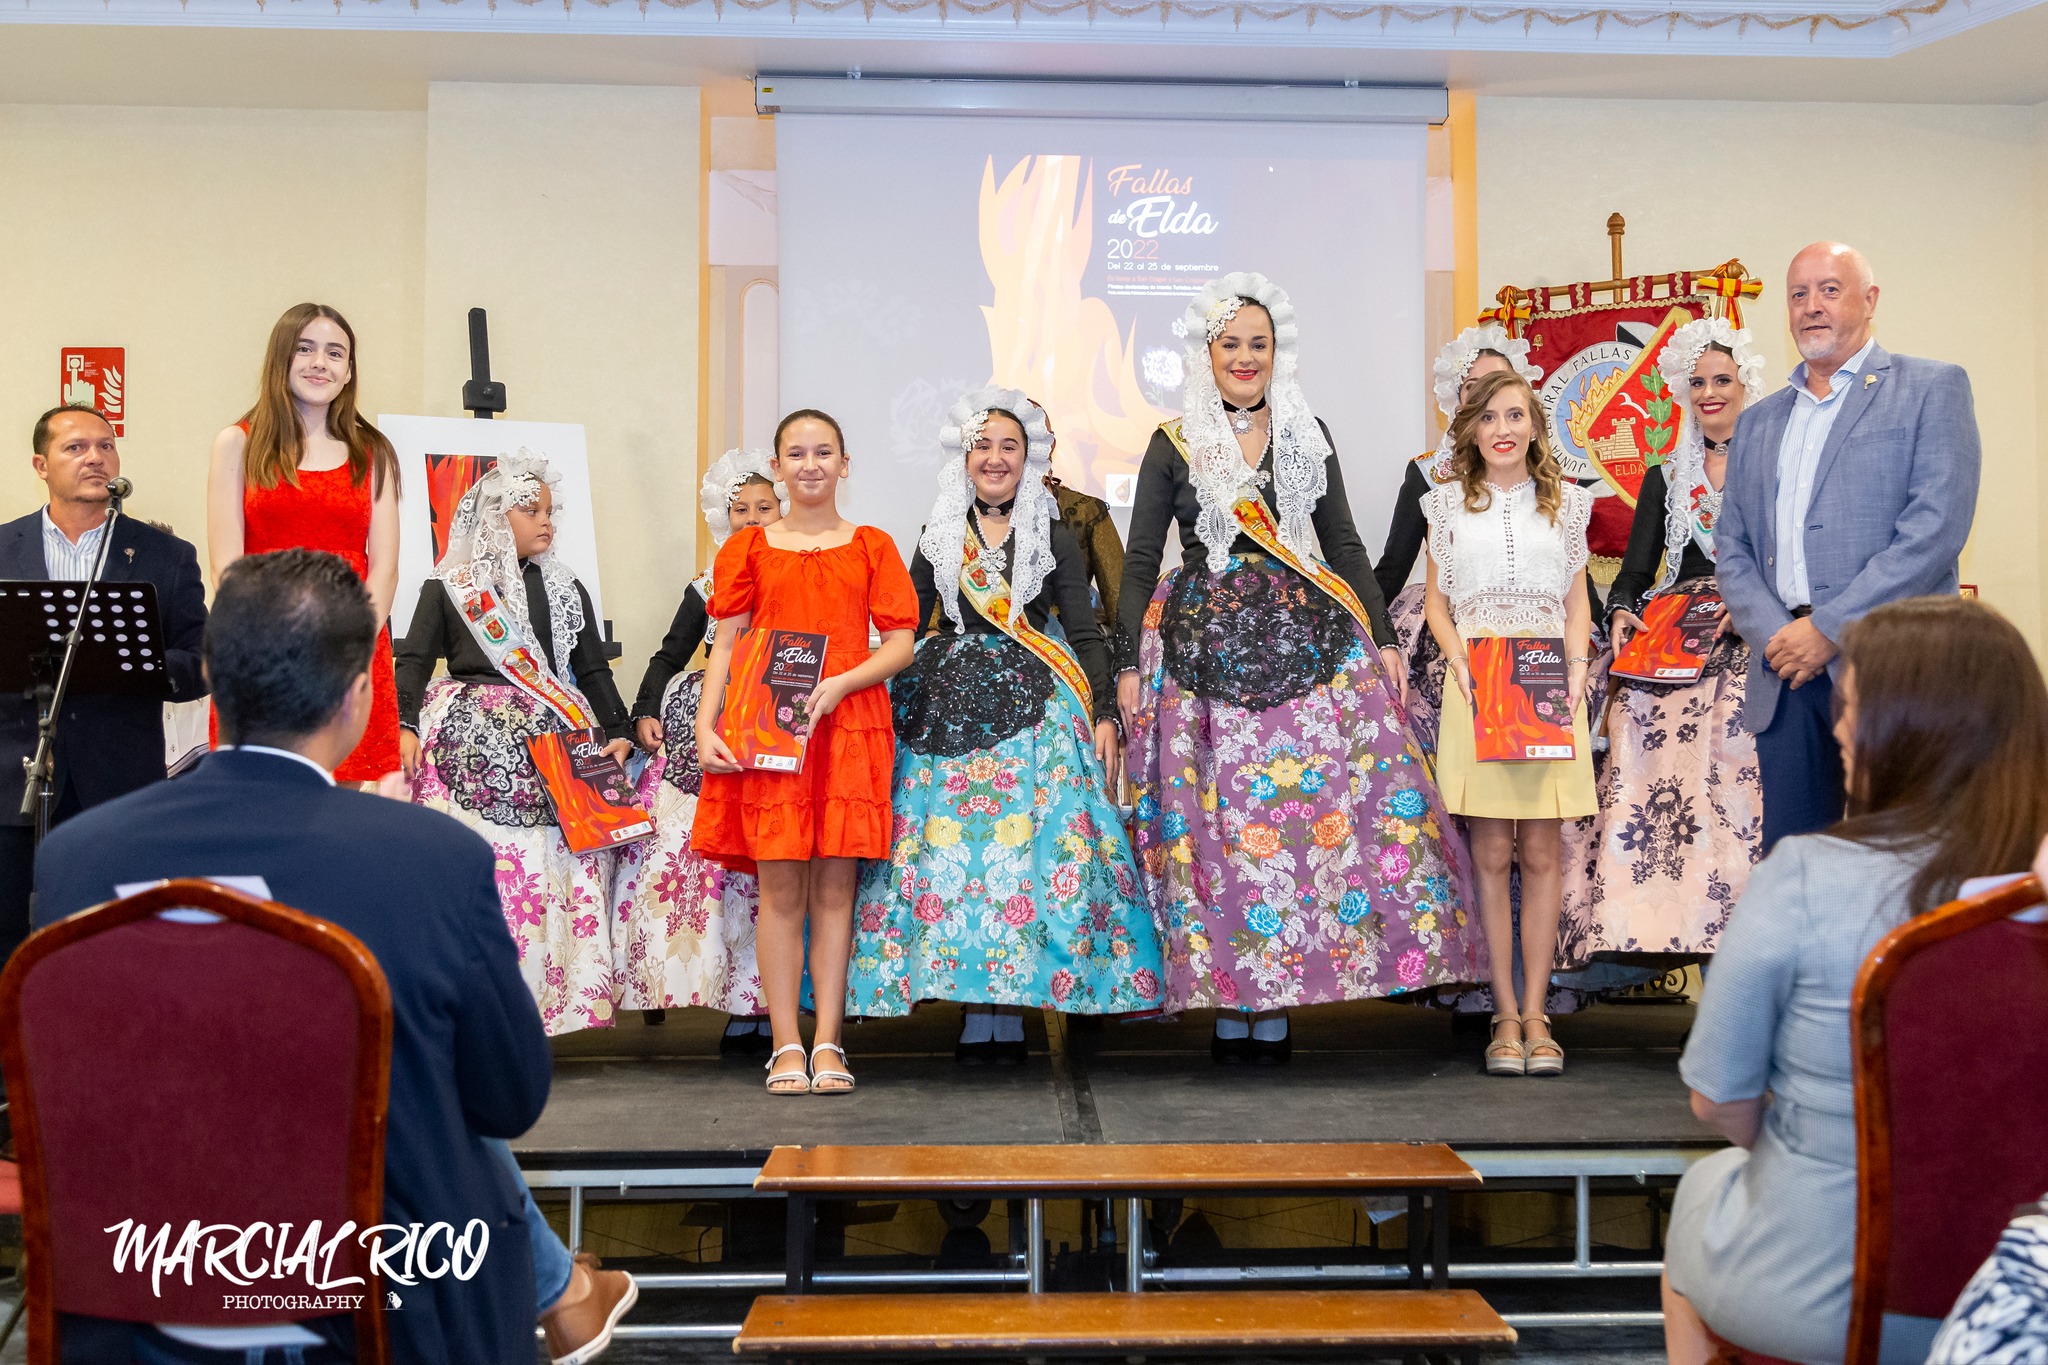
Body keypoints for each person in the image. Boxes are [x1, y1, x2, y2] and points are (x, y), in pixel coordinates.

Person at [32, 549, 637, 1365]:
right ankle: (559, 1289)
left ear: (209, 674)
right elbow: (509, 1096)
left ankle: (562, 1288)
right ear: (358, 696)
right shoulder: (431, 858)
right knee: (427, 1088)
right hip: (382, 1304)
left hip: (139, 1286)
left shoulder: (76, 855)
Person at [1663, 594, 2048, 1364]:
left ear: (1913, 730)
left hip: (1823, 1295)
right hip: (2019, 1296)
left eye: (1853, 706)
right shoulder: (2031, 898)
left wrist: (1804, 1150)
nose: (1838, 728)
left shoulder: (1805, 875)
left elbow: (1718, 1097)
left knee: (1704, 1191)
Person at [1114, 272, 1474, 1065]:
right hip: (1201, 649)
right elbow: (1140, 557)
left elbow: (1342, 541)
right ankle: (1229, 996)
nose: (1245, 357)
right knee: (1218, 827)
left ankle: (1277, 1001)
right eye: (1231, 344)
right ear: (1206, 352)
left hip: (1302, 643)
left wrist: (1382, 636)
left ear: (1278, 352)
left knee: (1294, 822)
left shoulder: (1308, 430)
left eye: (1259, 344)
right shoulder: (1172, 442)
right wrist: (1124, 660)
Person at [847, 389, 1164, 1063]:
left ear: (1030, 458)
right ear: (963, 457)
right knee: (951, 856)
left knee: (1026, 856)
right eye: (982, 445)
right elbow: (908, 624)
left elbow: (1083, 628)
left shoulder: (1053, 531)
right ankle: (972, 1004)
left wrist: (1103, 710)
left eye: (1009, 446)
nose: (994, 458)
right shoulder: (937, 531)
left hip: (1037, 706)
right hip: (945, 704)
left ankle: (1015, 1001)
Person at [1715, 242, 1982, 853]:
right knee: (1796, 864)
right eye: (1799, 294)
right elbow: (1732, 544)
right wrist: (1779, 636)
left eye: (1830, 290)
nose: (1812, 306)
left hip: (1892, 669)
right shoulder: (1757, 422)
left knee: (1903, 859)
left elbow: (1935, 529)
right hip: (1785, 673)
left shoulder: (1931, 387)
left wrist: (1829, 628)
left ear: (1870, 299)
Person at [693, 409, 917, 1094]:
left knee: (834, 891)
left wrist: (843, 681)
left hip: (848, 726)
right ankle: (785, 1043)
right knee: (781, 890)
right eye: (797, 453)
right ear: (778, 465)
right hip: (769, 728)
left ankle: (829, 1043)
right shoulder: (749, 548)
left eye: (824, 452)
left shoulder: (873, 545)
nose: (811, 464)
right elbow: (726, 642)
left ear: (845, 464)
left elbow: (901, 644)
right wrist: (705, 725)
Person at [394, 454, 633, 1036]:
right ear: (496, 517)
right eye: (531, 510)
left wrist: (619, 729)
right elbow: (415, 660)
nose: (546, 521)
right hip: (464, 738)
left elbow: (591, 669)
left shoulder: (565, 585)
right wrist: (404, 723)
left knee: (549, 873)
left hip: (554, 740)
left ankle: (546, 1005)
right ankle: (466, 1008)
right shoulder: (451, 586)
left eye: (550, 511)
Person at [1559, 319, 1767, 964]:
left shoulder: (1773, 463)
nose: (1709, 393)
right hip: (1674, 630)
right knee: (1627, 713)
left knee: (1735, 734)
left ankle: (1737, 923)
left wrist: (1754, 609)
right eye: (1697, 382)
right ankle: (1649, 914)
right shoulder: (1664, 474)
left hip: (1748, 626)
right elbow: (1636, 572)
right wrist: (1623, 609)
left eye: (1722, 380)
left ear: (1746, 384)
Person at [1422, 369, 1596, 1078]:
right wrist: (1460, 661)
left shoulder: (1569, 505)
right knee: (1492, 853)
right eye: (1489, 416)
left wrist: (1578, 666)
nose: (1503, 429)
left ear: (1534, 426)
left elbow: (1577, 602)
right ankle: (1501, 1015)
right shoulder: (1445, 506)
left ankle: (1537, 1014)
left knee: (1544, 853)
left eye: (1516, 415)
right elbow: (1436, 605)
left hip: (1547, 683)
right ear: (1471, 429)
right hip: (1478, 685)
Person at [1, 405, 208, 965]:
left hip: (118, 788)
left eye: (106, 445)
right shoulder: (3, 547)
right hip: (12, 786)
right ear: (40, 465)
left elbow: (202, 661)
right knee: (9, 950)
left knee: (114, 952)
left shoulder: (166, 556)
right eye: (75, 448)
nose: (95, 457)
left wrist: (135, 664)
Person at [614, 450, 781, 1051]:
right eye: (740, 510)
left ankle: (773, 1006)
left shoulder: (800, 570)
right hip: (704, 740)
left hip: (777, 732)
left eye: (764, 507)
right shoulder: (706, 585)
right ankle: (736, 1002)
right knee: (716, 875)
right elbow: (669, 654)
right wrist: (644, 710)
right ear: (721, 517)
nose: (752, 519)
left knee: (771, 871)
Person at [207, 303, 403, 784]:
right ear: (281, 358)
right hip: (263, 649)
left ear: (349, 371)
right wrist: (272, 642)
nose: (320, 363)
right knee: (257, 797)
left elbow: (385, 567)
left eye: (335, 353)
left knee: (346, 807)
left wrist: (350, 644)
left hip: (352, 653)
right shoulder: (237, 443)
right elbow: (226, 565)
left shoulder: (374, 452)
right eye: (305, 349)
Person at [1375, 325, 1543, 761]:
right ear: (1457, 398)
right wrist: (1361, 619)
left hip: (1529, 622)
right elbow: (1393, 567)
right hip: (1447, 619)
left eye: (1500, 384)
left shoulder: (1544, 479)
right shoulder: (1427, 475)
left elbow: (1564, 567)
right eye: (1474, 387)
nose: (1488, 397)